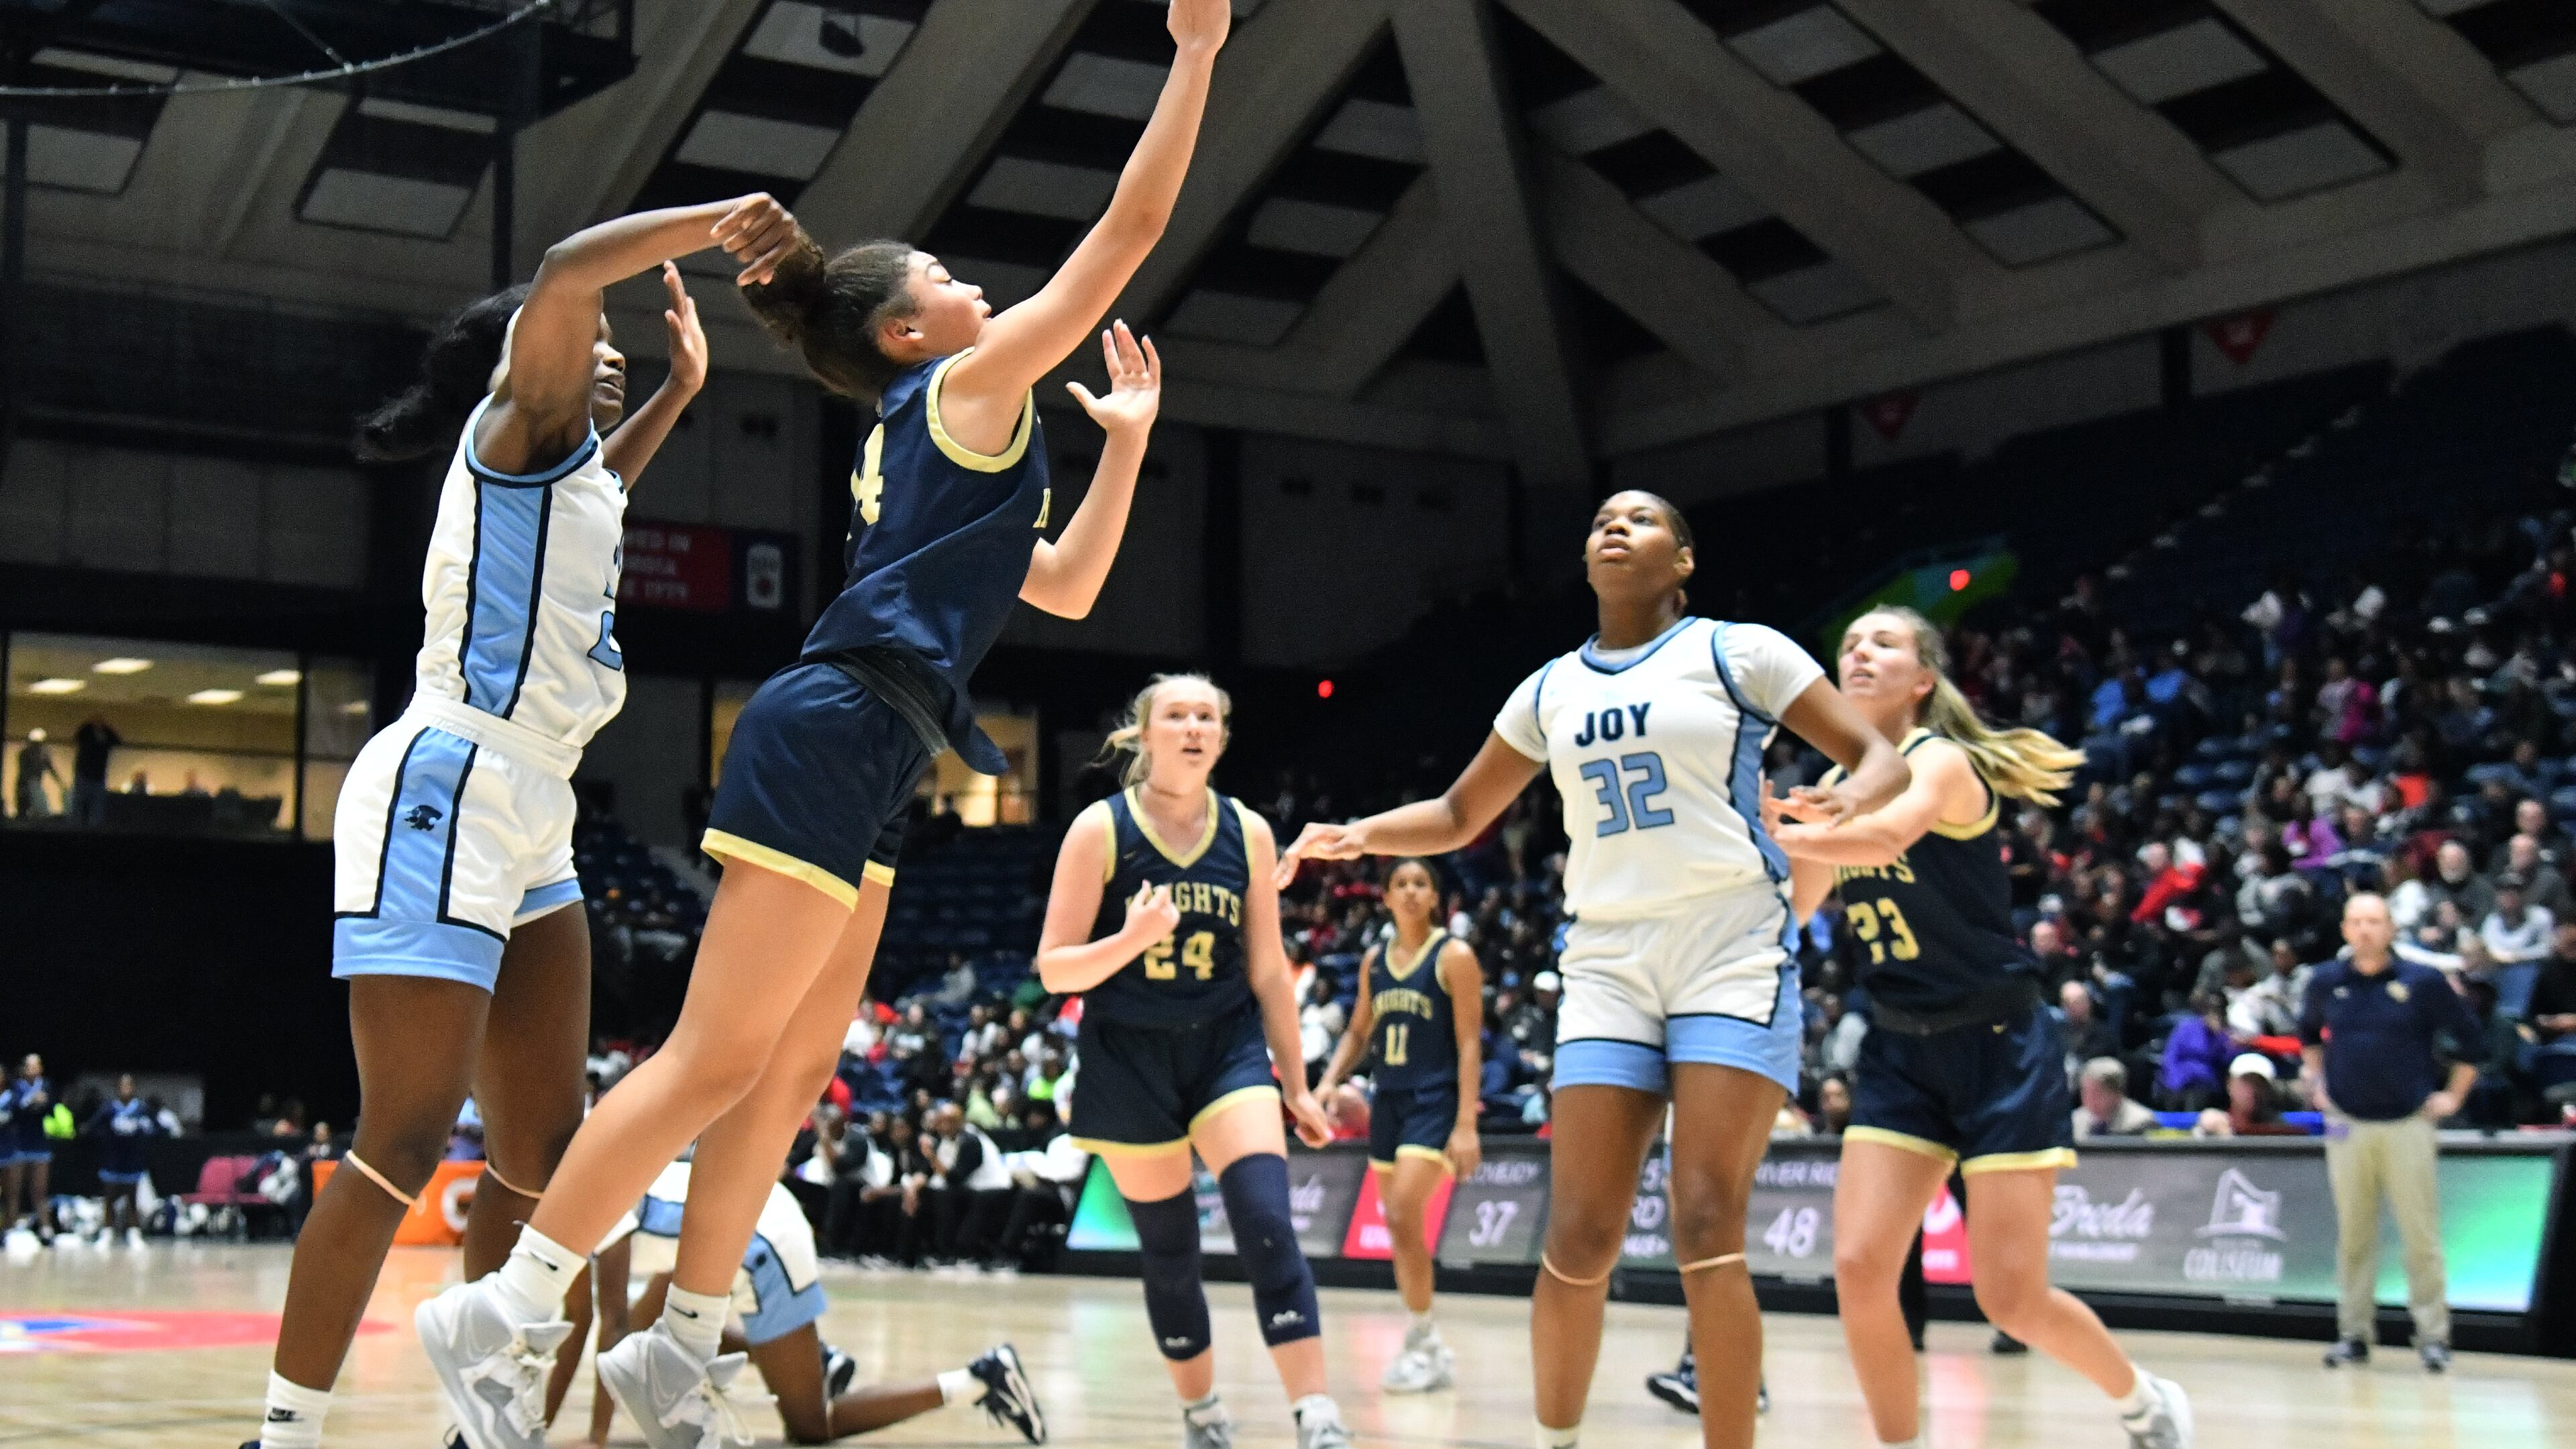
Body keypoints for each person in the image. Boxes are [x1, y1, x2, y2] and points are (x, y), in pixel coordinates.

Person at [413, 7, 1229, 1446]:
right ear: (913, 329)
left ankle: (684, 1338)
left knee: (787, 1071)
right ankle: (507, 1308)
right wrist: (1201, 54)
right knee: (714, 1058)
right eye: (950, 277)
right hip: (840, 720)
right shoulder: (969, 387)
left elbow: (1074, 584)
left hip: (886, 742)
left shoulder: (962, 430)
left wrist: (1129, 452)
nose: (979, 285)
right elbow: (1133, 224)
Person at [246, 193, 766, 1449]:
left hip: (534, 809)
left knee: (546, 1146)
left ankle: (479, 1421)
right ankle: (284, 1432)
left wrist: (681, 395)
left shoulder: (572, 473)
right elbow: (569, 266)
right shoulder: (515, 426)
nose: (604, 346)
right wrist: (710, 225)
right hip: (449, 780)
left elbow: (604, 492)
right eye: (582, 339)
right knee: (404, 1137)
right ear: (523, 355)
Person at [1275, 492, 1912, 1449]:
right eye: (1603, 520)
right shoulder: (1547, 689)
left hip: (1729, 949)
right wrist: (1357, 835)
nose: (1616, 528)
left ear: (1684, 558)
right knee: (1576, 1240)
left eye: (1643, 520)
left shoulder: (1741, 652)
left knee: (1705, 1224)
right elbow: (1457, 816)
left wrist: (1844, 804)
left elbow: (1876, 756)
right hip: (1609, 961)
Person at [1766, 606, 2190, 1449]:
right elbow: (1795, 911)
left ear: (1924, 678)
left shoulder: (1942, 762)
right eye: (1848, 643)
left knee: (2010, 1298)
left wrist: (1789, 821)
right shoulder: (1835, 780)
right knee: (1857, 1268)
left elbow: (1885, 832)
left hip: (1998, 1047)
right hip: (1898, 1047)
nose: (1859, 652)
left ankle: (2145, 1402)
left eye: (1882, 642)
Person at [1034, 674, 1348, 1449]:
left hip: (1224, 1047)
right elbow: (1054, 968)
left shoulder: (1248, 832)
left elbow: (1270, 970)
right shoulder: (1099, 831)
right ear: (1145, 736)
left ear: (1222, 736)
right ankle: (1203, 1416)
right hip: (1127, 1056)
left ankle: (1317, 1416)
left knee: (1268, 1224)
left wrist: (1297, 1084)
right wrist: (1129, 942)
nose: (1193, 726)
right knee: (1171, 1251)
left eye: (1207, 716)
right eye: (1176, 715)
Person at [581, 1159, 1043, 1445]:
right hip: (753, 1219)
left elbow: (612, 1327)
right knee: (662, 1331)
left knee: (810, 1427)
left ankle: (982, 1378)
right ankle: (817, 1359)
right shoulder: (608, 1168)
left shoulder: (601, 1199)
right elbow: (605, 1320)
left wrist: (596, 1438)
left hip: (765, 1244)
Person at [1315, 857, 1485, 1393]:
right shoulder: (1374, 961)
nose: (1411, 892)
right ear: (1385, 897)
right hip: (1388, 1102)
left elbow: (1469, 1042)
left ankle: (1424, 1341)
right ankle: (1424, 1337)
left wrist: (1466, 1124)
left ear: (1435, 898)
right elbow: (1359, 1031)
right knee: (1399, 1228)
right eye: (1401, 884)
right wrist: (1327, 1081)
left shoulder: (1454, 956)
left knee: (1404, 1210)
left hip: (1434, 1103)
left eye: (1421, 884)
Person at [2302, 892, 2480, 1373]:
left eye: (2375, 922)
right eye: (2357, 922)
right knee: (2354, 1236)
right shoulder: (2325, 982)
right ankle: (2354, 1334)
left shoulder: (2422, 982)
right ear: (2344, 930)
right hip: (2346, 1124)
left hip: (2408, 1123)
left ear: (2391, 929)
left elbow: (2472, 1043)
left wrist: (2454, 1097)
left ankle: (2433, 1337)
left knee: (2420, 1236)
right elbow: (2306, 1037)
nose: (2365, 930)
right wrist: (2318, 1084)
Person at [85, 1073, 159, 1247]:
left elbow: (156, 1128)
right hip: (112, 1160)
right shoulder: (109, 1108)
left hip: (133, 1160)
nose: (125, 1089)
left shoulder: (141, 1109)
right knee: (109, 1197)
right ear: (117, 1089)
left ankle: (134, 1232)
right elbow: (91, 1128)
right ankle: (107, 1232)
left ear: (134, 1088)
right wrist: (109, 1132)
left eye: (129, 1086)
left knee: (132, 1198)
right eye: (122, 1086)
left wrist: (142, 1128)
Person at [4, 1054, 55, 1241]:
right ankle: (10, 1228)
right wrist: (30, 1101)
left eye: (36, 1066)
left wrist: (44, 1102)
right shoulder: (17, 1087)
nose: (33, 1069)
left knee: (40, 1190)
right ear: (24, 1069)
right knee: (14, 1190)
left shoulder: (46, 1085)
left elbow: (51, 1110)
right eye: (29, 1066)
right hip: (19, 1146)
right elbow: (13, 1110)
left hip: (40, 1145)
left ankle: (46, 1228)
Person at [2071, 1059, 2156, 1139]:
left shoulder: (2141, 1123)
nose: (2090, 1100)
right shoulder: (2076, 1120)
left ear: (2118, 1093)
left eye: (2097, 1094)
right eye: (2086, 1092)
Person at [70, 716, 119, 826]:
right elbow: (77, 737)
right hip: (85, 774)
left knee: (96, 807)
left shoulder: (106, 737)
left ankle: (92, 826)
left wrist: (106, 728)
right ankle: (78, 825)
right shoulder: (86, 735)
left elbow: (117, 741)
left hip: (98, 776)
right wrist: (88, 725)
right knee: (81, 803)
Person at [13, 729, 59, 820]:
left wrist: (60, 782)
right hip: (25, 785)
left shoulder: (42, 754)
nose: (38, 746)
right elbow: (24, 770)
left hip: (34, 786)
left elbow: (50, 768)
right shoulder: (25, 754)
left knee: (38, 811)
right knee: (23, 811)